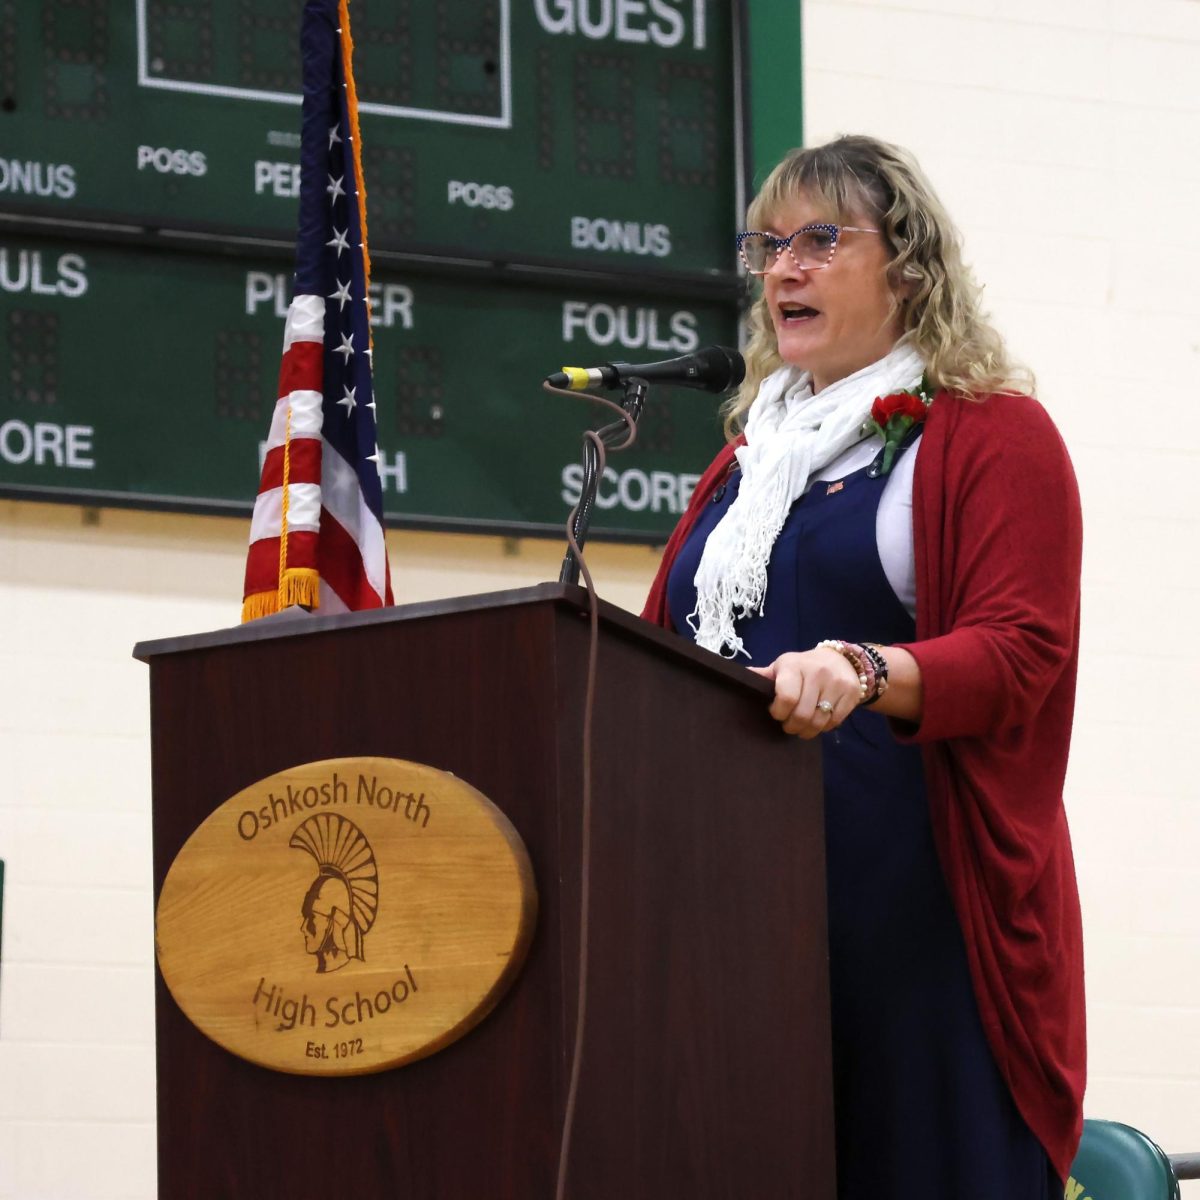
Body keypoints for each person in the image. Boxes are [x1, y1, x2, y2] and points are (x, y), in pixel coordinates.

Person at [642, 135, 1085, 1198]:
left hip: (915, 914)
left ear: (910, 265)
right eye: (768, 246)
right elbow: (661, 650)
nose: (783, 268)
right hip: (728, 914)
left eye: (819, 240)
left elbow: (1023, 651)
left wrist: (866, 666)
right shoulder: (750, 461)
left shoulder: (990, 435)